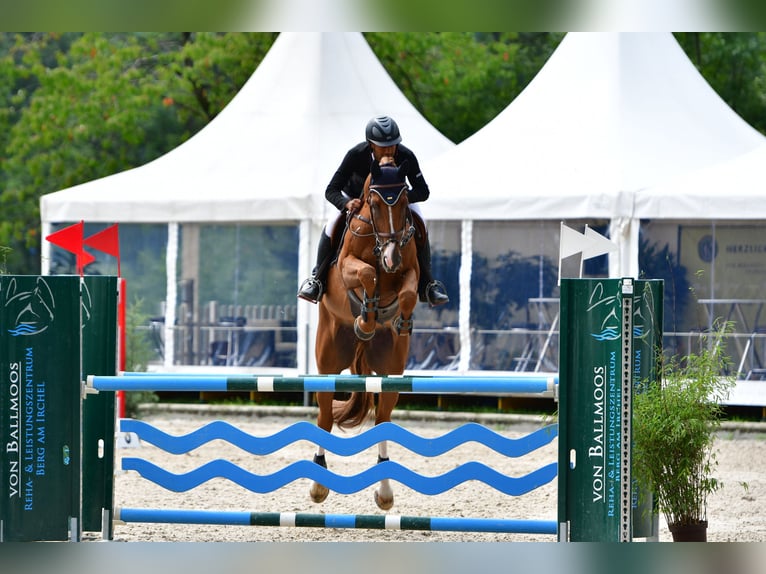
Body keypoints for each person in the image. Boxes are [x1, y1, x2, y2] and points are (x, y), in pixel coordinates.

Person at [297, 115, 449, 307]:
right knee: (331, 225)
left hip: (395, 202)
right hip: (356, 201)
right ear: (371, 145)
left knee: (421, 223)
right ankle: (317, 279)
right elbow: (331, 190)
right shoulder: (355, 155)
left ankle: (428, 283)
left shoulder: (406, 156)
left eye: (393, 145)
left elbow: (423, 191)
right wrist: (345, 203)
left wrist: (398, 201)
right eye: (383, 147)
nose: (389, 151)